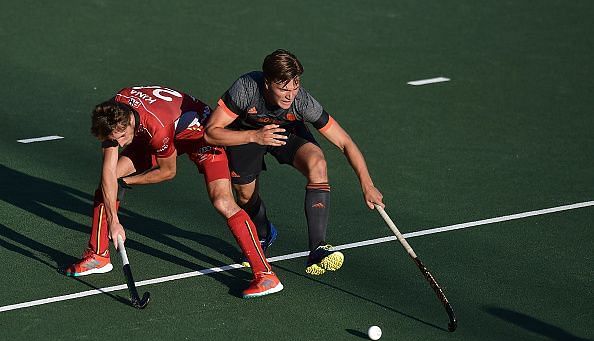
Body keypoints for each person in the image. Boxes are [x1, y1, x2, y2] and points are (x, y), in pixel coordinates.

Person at [64, 85, 283, 298]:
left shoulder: (156, 127)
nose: (120, 144)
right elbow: (108, 174)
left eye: (121, 138)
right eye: (115, 140)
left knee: (222, 201)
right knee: (106, 184)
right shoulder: (114, 114)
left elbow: (167, 172)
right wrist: (113, 220)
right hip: (159, 133)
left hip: (200, 138)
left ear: (128, 122)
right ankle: (98, 255)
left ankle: (265, 275)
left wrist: (126, 182)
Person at [205, 49, 384, 275]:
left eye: (295, 86)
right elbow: (211, 132)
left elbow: (344, 142)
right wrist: (254, 136)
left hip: (285, 131)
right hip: (245, 134)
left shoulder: (301, 102)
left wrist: (366, 184)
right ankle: (263, 234)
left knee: (317, 163)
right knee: (245, 196)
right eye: (283, 88)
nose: (290, 95)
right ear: (268, 83)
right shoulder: (246, 88)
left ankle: (317, 248)